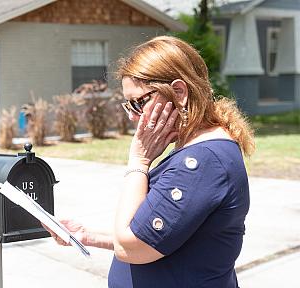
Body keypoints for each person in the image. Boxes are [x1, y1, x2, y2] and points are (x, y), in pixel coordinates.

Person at [44, 35, 255, 287]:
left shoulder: (202, 162)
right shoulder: (199, 153)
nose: (134, 117)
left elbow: (130, 247)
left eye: (139, 102)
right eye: (128, 105)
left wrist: (139, 161)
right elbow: (158, 236)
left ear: (179, 92)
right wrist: (87, 235)